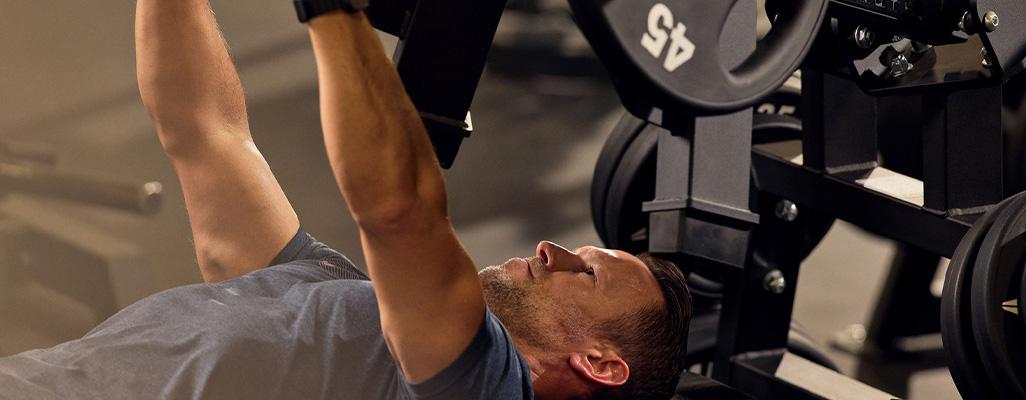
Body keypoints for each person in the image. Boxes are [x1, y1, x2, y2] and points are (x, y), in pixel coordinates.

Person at [0, 0, 693, 399]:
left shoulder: (485, 387)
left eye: (588, 271)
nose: (553, 248)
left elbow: (400, 212)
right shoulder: (341, 298)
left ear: (601, 364)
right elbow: (204, 132)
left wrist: (332, 8)